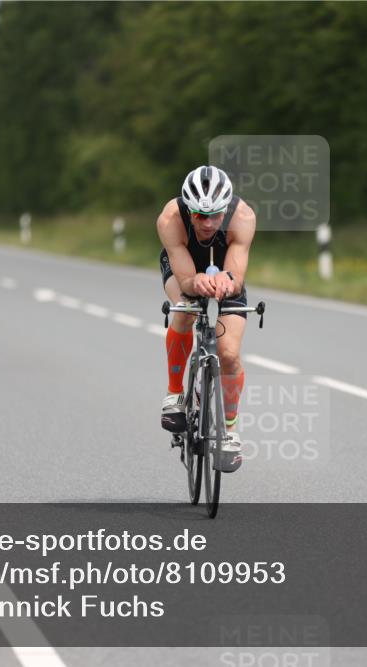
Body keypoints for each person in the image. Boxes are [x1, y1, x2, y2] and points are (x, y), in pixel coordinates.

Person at [156, 166, 257, 473]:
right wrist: (194, 283)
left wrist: (228, 281)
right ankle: (175, 393)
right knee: (185, 309)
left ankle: (229, 430)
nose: (208, 223)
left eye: (215, 215)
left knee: (228, 353)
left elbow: (236, 275)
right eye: (200, 215)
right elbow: (185, 278)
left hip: (223, 268)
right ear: (189, 209)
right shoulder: (171, 218)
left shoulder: (243, 217)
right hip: (184, 265)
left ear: (226, 209)